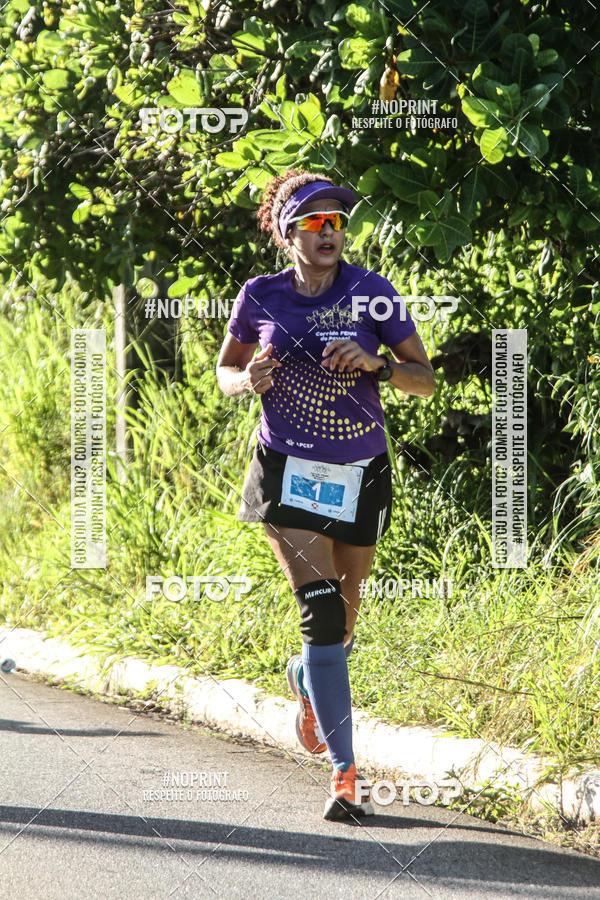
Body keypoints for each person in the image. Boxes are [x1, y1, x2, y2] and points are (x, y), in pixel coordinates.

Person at [216, 169, 436, 821]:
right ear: (288, 233)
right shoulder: (260, 295)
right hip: (286, 469)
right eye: (312, 222)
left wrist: (379, 365)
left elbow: (425, 381)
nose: (327, 231)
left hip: (360, 469)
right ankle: (346, 774)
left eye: (335, 221)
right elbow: (226, 371)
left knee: (346, 609)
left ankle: (308, 683)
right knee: (320, 609)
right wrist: (245, 379)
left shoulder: (374, 294)